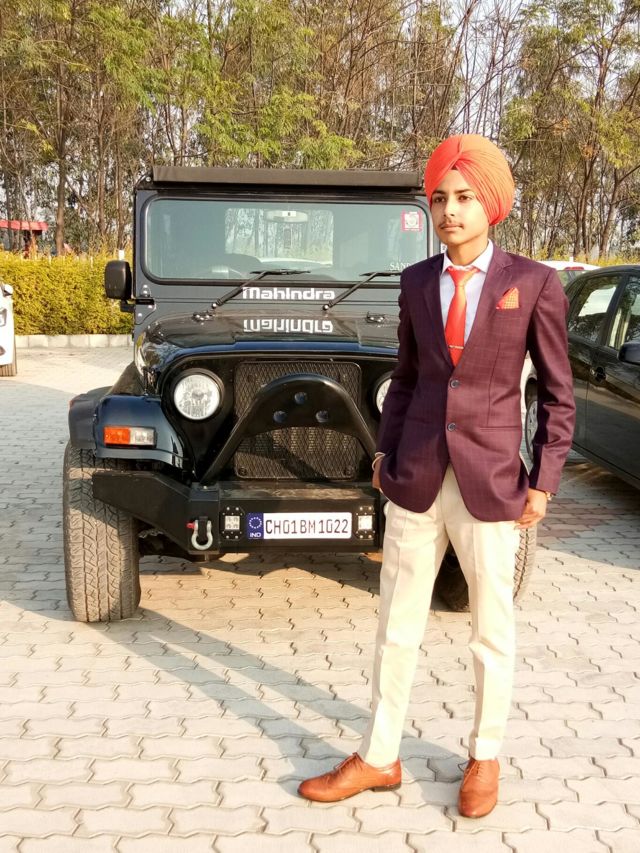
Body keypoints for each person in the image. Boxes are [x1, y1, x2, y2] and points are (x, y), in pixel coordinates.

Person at [298, 134, 576, 817]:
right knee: (396, 622)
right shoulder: (417, 281)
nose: (450, 211)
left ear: (492, 204)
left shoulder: (533, 283)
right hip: (417, 477)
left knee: (491, 629)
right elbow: (408, 376)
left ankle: (485, 755)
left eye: (464, 198)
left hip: (492, 484)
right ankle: (379, 755)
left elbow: (558, 394)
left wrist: (544, 480)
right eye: (440, 199)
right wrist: (383, 456)